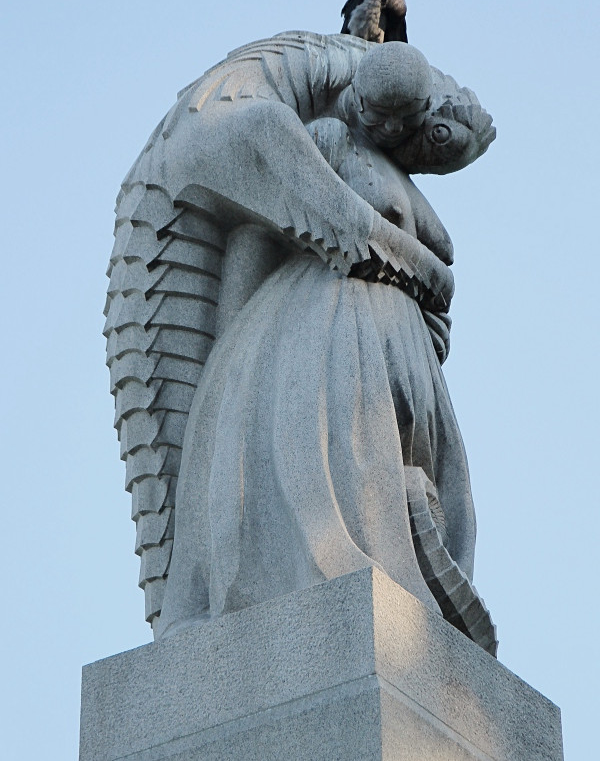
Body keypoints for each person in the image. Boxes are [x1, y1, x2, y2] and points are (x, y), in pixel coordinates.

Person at [153, 40, 479, 638]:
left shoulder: (404, 181)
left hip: (396, 339)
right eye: (375, 111)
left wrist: (433, 300)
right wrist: (232, 371)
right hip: (319, 323)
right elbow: (257, 241)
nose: (382, 126)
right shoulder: (323, 140)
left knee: (421, 483)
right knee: (334, 468)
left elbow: (441, 261)